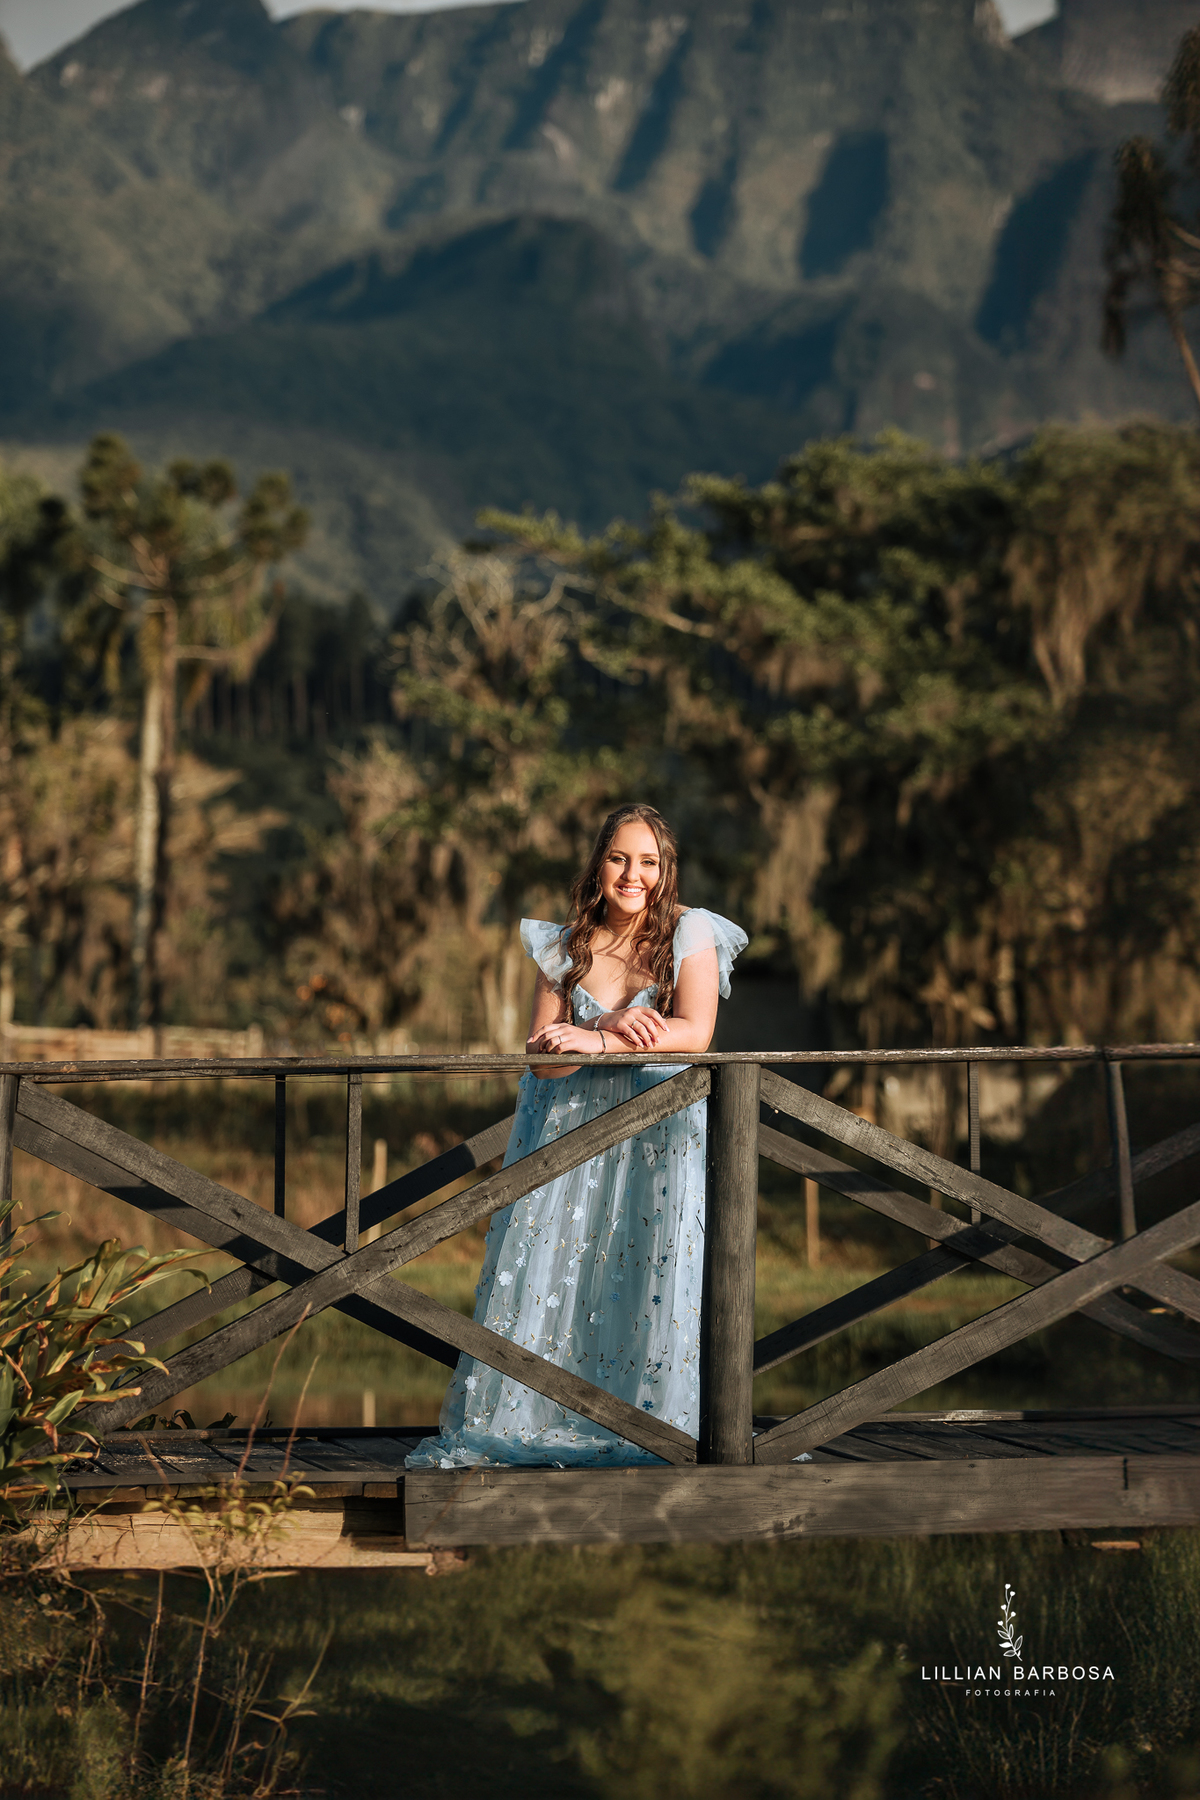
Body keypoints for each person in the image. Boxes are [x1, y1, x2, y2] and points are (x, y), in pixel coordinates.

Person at [405, 804, 747, 1469]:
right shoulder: (565, 946)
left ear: (664, 871)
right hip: (571, 1137)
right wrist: (586, 1040)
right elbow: (544, 1057)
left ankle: (655, 1428)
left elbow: (695, 1031)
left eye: (648, 862)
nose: (633, 874)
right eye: (620, 858)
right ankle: (542, 1415)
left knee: (649, 1265)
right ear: (599, 862)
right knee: (564, 1270)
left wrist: (602, 1033)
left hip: (658, 1134)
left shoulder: (689, 932)